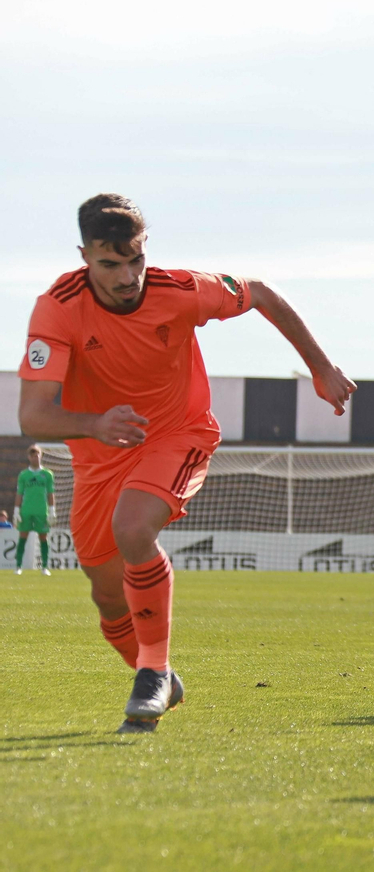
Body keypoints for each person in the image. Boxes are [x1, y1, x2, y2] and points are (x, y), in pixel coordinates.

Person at [17, 193, 355, 733]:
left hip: (178, 432)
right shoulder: (57, 307)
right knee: (107, 595)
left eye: (136, 260)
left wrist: (320, 367)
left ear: (145, 247)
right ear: (85, 256)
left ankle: (151, 672)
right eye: (110, 264)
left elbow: (261, 293)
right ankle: (162, 677)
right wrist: (97, 425)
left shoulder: (181, 290)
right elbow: (33, 415)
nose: (127, 276)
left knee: (133, 529)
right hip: (100, 456)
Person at [14, 444, 56, 575]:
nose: (35, 458)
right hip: (26, 511)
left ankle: (44, 567)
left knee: (43, 537)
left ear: (41, 456)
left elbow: (50, 493)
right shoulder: (24, 475)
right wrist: (16, 510)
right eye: (33, 455)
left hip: (41, 511)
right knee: (23, 537)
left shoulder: (47, 474)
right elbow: (19, 493)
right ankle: (18, 566)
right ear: (29, 457)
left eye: (37, 455)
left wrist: (52, 510)